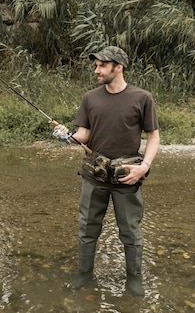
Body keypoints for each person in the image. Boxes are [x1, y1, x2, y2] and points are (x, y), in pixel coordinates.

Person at [54, 46, 160, 296]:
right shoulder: (90, 98)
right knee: (87, 228)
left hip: (127, 176)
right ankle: (84, 275)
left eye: (102, 65)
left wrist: (143, 167)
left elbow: (153, 137)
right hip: (94, 176)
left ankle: (134, 279)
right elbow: (83, 135)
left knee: (130, 231)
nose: (96, 70)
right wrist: (67, 137)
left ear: (118, 67)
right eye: (96, 65)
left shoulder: (142, 98)